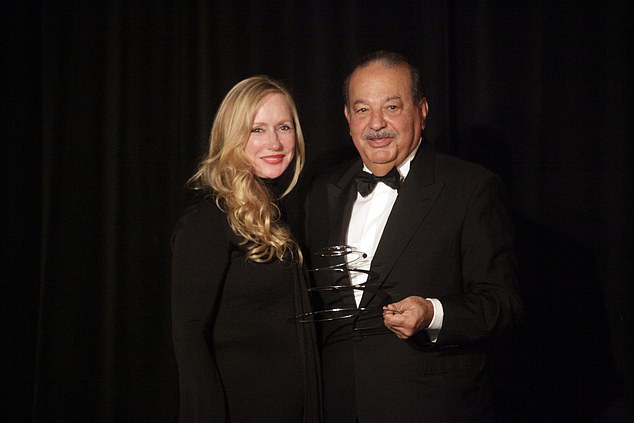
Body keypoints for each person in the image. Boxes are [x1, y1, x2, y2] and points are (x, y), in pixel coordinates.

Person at [302, 51, 523, 422]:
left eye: (391, 107)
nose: (376, 124)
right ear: (347, 118)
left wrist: (432, 313)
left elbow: (502, 304)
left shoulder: (471, 188)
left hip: (430, 407)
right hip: (339, 406)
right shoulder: (323, 192)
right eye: (362, 110)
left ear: (421, 110)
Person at [171, 75, 321, 422]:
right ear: (233, 135)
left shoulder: (277, 216)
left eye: (284, 127)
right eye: (258, 129)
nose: (275, 142)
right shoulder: (208, 220)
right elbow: (189, 339)